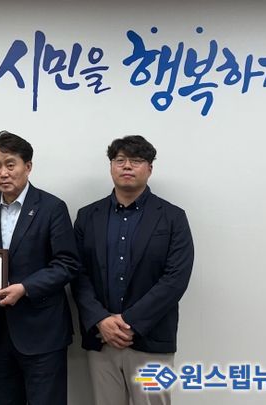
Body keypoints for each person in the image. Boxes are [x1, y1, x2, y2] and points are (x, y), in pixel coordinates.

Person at [71, 135, 194, 405]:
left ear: (150, 168)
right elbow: (77, 274)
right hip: (101, 338)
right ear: (111, 166)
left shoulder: (173, 217)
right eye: (120, 160)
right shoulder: (87, 216)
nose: (127, 166)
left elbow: (175, 279)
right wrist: (101, 320)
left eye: (136, 160)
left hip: (151, 338)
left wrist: (130, 322)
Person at [0, 131, 79, 405]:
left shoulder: (52, 207)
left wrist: (25, 288)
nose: (3, 173)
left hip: (43, 331)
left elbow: (67, 264)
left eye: (10, 164)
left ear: (27, 166)